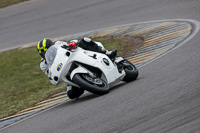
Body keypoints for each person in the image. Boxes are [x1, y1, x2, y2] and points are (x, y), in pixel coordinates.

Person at [37, 37, 117, 99]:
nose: (45, 55)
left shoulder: (58, 44)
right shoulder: (43, 65)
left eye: (47, 52)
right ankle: (84, 83)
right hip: (67, 72)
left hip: (75, 56)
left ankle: (107, 53)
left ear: (52, 46)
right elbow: (50, 74)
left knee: (85, 41)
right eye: (43, 54)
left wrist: (72, 44)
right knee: (72, 95)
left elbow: (71, 43)